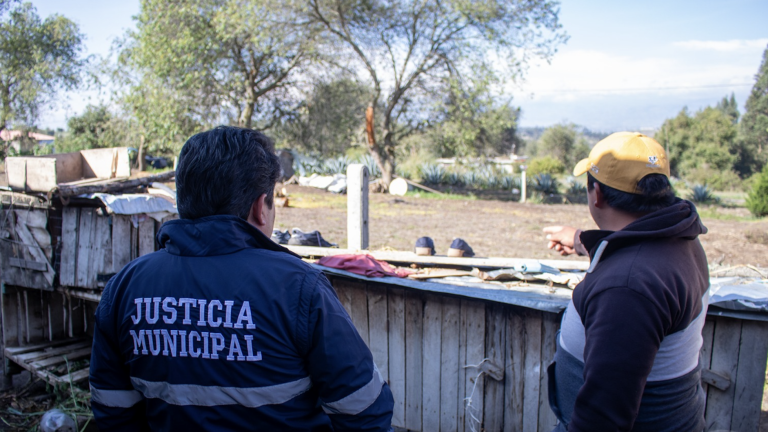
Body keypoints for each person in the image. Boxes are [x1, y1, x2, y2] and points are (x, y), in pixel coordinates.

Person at [89, 127, 394, 431]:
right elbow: (364, 412)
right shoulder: (299, 288)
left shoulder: (125, 288)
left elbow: (113, 414)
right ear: (261, 208)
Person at [543, 132, 709, 432]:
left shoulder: (627, 289)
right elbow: (633, 245)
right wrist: (581, 239)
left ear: (598, 195)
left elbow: (603, 419)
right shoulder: (679, 238)